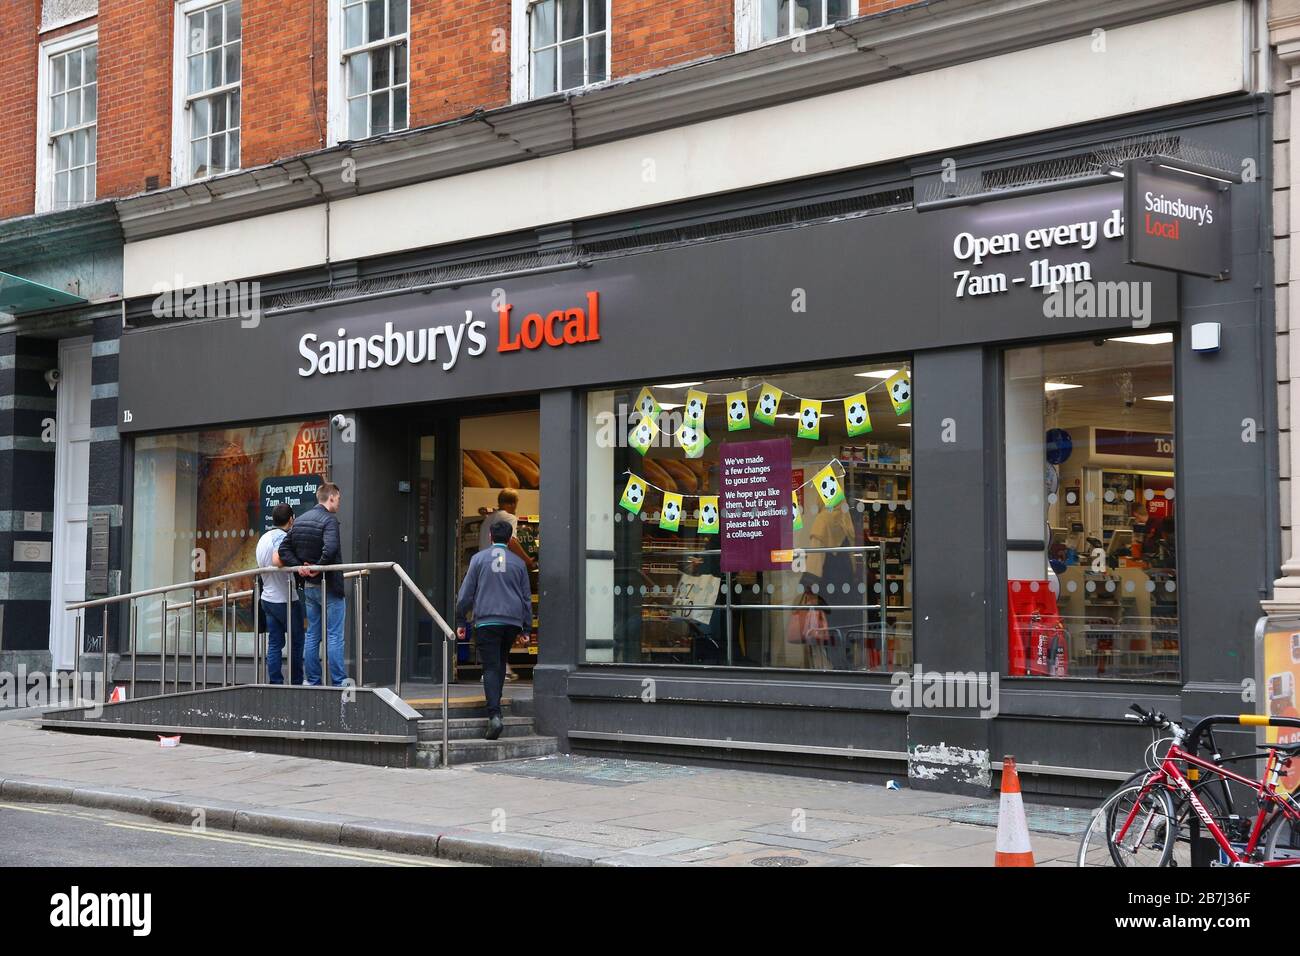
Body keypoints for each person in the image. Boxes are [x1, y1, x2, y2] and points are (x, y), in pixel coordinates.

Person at [456, 520, 532, 740]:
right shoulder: (518, 563)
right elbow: (526, 598)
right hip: (511, 621)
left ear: (490, 536)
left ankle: (494, 715)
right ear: (510, 539)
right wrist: (526, 628)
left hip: (487, 620)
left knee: (490, 667)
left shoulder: (478, 559)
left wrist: (461, 621)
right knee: (500, 663)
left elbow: (465, 595)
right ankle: (495, 707)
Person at [278, 482, 347, 686]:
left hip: (309, 587)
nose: (339, 504)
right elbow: (332, 548)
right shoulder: (329, 520)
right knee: (334, 635)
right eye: (338, 500)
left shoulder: (300, 520)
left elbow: (284, 550)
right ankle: (339, 682)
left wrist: (300, 567)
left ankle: (313, 681)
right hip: (330, 585)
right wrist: (318, 566)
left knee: (312, 635)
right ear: (331, 498)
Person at [477, 487, 536, 680]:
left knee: (490, 621)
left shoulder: (488, 520)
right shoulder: (508, 518)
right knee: (507, 617)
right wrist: (528, 561)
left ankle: (496, 669)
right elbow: (512, 542)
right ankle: (500, 669)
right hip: (502, 569)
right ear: (511, 504)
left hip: (485, 570)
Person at [256, 502, 304, 685]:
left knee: (275, 643)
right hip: (285, 599)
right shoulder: (282, 537)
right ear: (291, 519)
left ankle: (276, 682)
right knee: (297, 641)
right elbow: (278, 559)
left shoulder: (263, 538)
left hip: (267, 598)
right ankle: (296, 682)